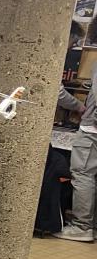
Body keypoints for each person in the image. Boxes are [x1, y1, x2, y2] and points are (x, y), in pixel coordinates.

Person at [56, 57, 96, 242]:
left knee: (83, 174)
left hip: (92, 130)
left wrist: (88, 115)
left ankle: (82, 227)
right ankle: (91, 225)